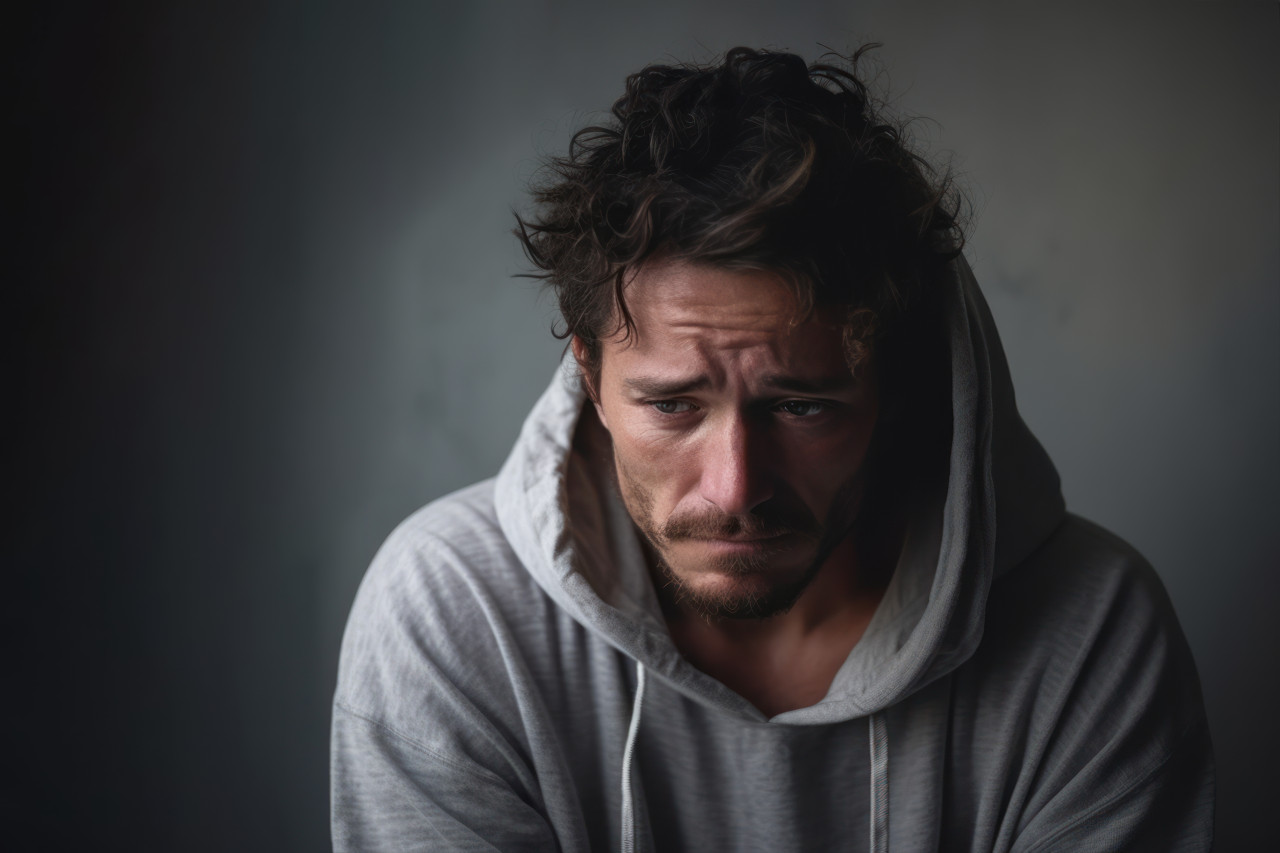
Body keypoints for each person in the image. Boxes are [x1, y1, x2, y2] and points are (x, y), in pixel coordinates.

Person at [330, 47, 1214, 851]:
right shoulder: (454, 612)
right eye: (673, 404)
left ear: (895, 385)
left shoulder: (1090, 630)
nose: (736, 487)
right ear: (590, 378)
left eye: (800, 406)